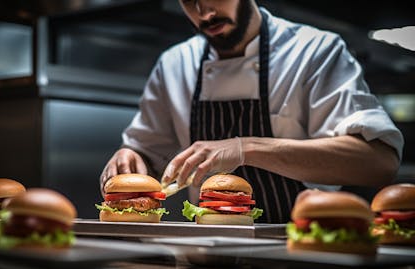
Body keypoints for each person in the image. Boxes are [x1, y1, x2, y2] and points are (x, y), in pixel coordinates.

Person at [99, 0, 404, 223]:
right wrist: (129, 158)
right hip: (203, 251)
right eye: (189, 2)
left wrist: (245, 148)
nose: (204, 12)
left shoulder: (316, 51)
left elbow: (378, 162)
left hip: (301, 248)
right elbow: (146, 156)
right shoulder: (173, 65)